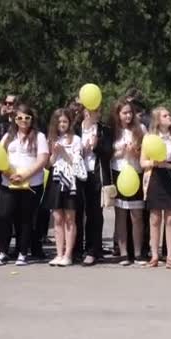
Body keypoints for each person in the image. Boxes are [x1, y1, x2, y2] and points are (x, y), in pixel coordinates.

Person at [0, 104, 49, 266]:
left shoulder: (39, 136)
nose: (23, 121)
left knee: (25, 219)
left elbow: (42, 159)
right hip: (8, 183)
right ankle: (3, 251)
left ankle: (22, 252)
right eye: (19, 118)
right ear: (14, 120)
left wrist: (25, 175)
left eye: (27, 117)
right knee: (4, 216)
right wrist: (9, 174)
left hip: (31, 184)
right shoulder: (8, 136)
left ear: (32, 119)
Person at [140, 107, 171, 268]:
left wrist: (169, 166)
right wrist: (154, 163)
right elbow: (142, 162)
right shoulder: (149, 138)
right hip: (154, 177)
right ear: (158, 119)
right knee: (155, 218)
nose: (169, 117)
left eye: (169, 114)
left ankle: (170, 256)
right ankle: (155, 255)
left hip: (170, 176)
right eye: (165, 115)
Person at [45, 109, 87, 267]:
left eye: (65, 121)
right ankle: (59, 253)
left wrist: (63, 152)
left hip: (71, 182)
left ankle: (68, 254)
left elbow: (76, 163)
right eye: (59, 122)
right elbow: (49, 164)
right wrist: (55, 154)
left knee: (70, 218)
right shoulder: (52, 139)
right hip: (56, 180)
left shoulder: (76, 140)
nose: (62, 124)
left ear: (69, 123)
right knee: (57, 218)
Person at [110, 98, 147, 266]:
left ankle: (138, 253)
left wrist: (135, 152)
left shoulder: (141, 129)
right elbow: (107, 155)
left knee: (137, 215)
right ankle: (124, 253)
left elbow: (147, 153)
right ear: (118, 114)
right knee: (121, 214)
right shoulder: (113, 131)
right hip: (119, 172)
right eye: (124, 113)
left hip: (136, 172)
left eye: (130, 112)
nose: (128, 116)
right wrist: (121, 152)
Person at [78, 105, 113, 266]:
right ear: (85, 111)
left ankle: (93, 250)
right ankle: (77, 249)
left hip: (95, 175)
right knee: (76, 213)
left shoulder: (104, 129)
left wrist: (96, 145)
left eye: (99, 110)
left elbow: (108, 152)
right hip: (76, 175)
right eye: (94, 110)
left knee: (94, 214)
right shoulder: (76, 128)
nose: (97, 114)